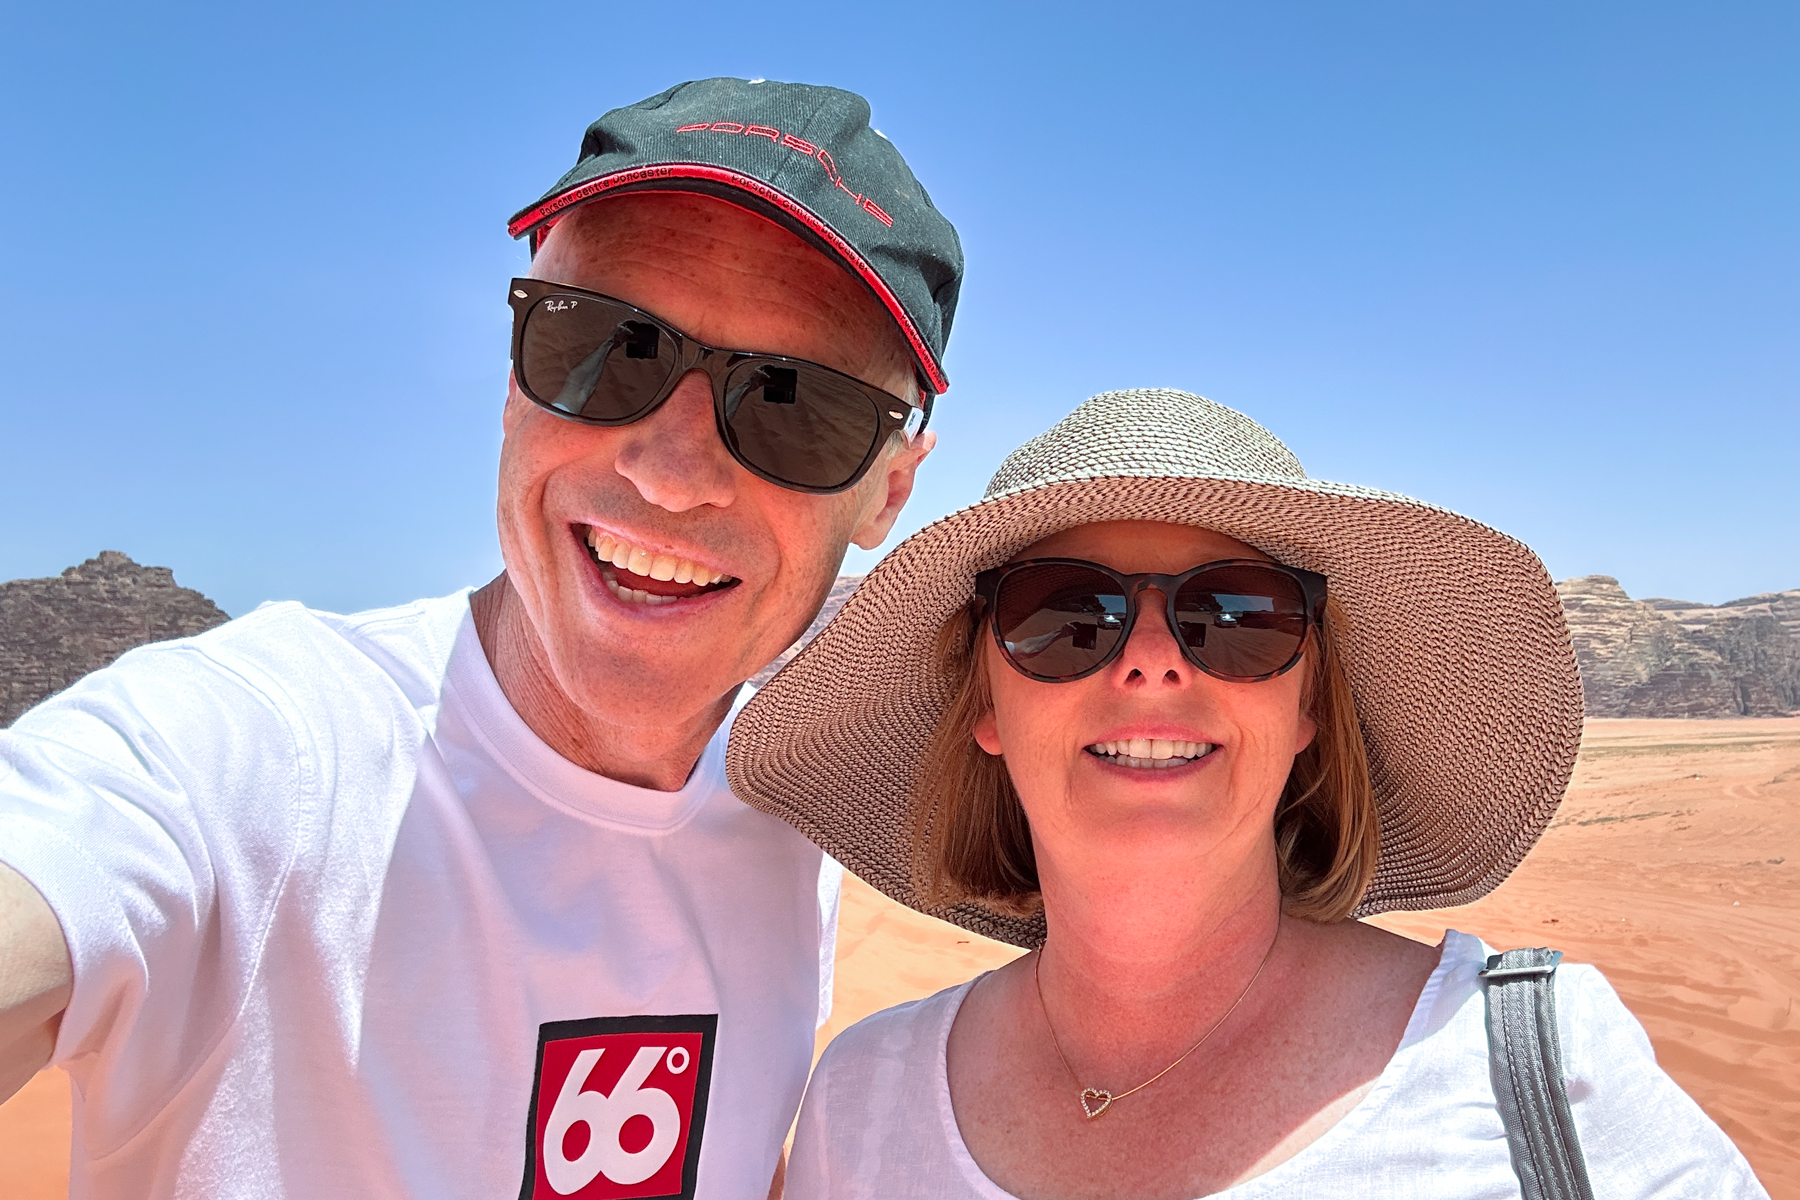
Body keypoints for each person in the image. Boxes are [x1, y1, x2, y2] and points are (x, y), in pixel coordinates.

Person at [0, 77, 962, 1199]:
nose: (671, 470)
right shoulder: (250, 761)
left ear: (888, 493)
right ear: (515, 375)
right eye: (609, 348)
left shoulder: (791, 817)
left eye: (798, 406)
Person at [727, 388, 1769, 1199]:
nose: (1150, 666)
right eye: (1062, 615)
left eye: (1236, 615)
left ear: (1310, 702)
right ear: (983, 706)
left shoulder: (1539, 1071)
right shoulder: (861, 1100)